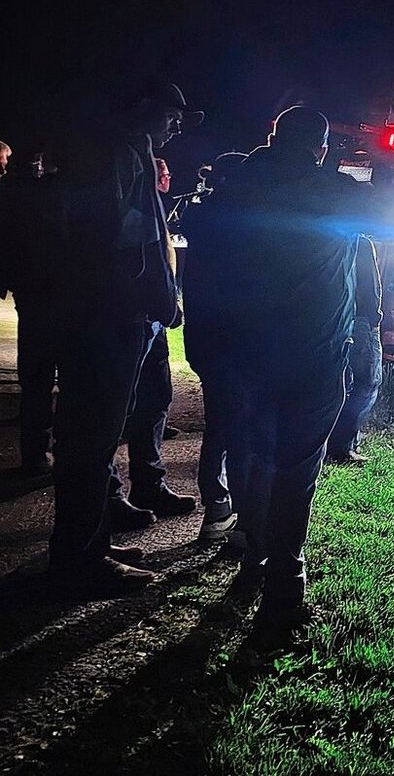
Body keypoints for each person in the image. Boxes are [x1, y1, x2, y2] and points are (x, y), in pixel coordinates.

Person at [198, 106, 391, 638]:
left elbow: (204, 269)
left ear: (271, 136)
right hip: (313, 355)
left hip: (241, 356)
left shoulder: (233, 186)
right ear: (323, 149)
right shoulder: (336, 194)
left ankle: (252, 556)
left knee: (249, 454)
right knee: (295, 468)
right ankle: (284, 590)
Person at [47, 79, 200, 596]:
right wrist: (151, 295)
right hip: (109, 318)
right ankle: (79, 564)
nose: (176, 125)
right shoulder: (121, 155)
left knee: (96, 437)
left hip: (110, 316)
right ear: (141, 108)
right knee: (90, 439)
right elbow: (121, 243)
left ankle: (91, 545)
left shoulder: (127, 152)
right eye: (171, 115)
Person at [112, 156, 198, 519]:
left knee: (154, 400)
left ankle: (149, 484)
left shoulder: (156, 205)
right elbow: (142, 262)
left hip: (154, 319)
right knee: (116, 410)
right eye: (162, 172)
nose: (168, 178)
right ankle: (110, 499)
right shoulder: (129, 203)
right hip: (130, 318)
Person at [180, 151, 248, 540]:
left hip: (204, 337)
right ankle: (227, 509)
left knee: (218, 424)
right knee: (234, 429)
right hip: (235, 339)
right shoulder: (240, 223)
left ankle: (218, 506)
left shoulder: (202, 215)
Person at [0, 148, 65, 477]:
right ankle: (58, 452)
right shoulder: (63, 196)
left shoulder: (16, 198)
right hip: (62, 298)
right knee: (65, 379)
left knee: (36, 380)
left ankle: (36, 454)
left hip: (34, 296)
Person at [326, 235, 383, 465]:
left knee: (342, 382)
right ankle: (343, 446)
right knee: (367, 383)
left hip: (337, 319)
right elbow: (370, 286)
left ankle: (334, 439)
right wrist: (374, 318)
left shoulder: (334, 239)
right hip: (361, 320)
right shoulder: (361, 242)